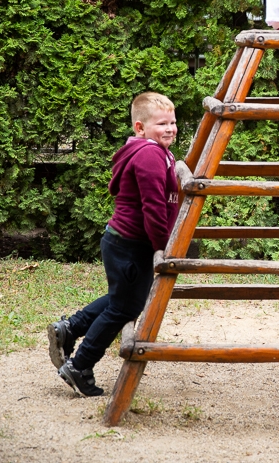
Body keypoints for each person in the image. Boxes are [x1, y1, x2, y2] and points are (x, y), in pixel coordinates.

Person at [47, 92, 180, 396]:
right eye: (162, 124)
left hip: (126, 242)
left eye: (173, 122)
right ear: (140, 127)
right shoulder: (149, 156)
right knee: (124, 307)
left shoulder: (155, 151)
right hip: (131, 244)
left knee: (123, 299)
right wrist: (163, 247)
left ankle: (71, 328)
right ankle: (80, 365)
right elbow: (153, 208)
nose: (170, 129)